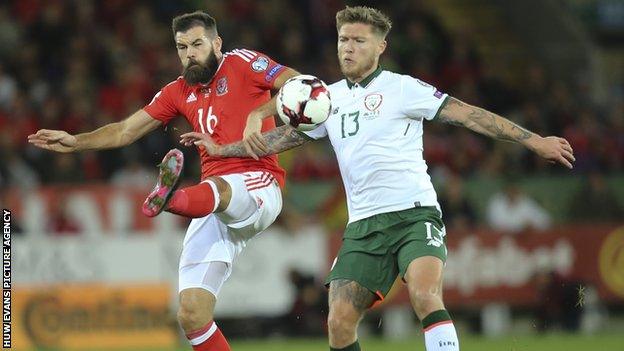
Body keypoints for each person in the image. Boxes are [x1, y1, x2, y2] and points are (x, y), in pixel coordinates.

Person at [181, 6, 575, 351]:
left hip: (413, 216)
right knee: (338, 322)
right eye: (342, 40)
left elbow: (469, 115)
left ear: (380, 47)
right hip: (364, 228)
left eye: (358, 40)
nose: (347, 48)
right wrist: (221, 151)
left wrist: (534, 140)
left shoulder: (403, 89)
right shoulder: (326, 101)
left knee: (424, 295)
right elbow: (276, 139)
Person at [28, 10, 299, 351]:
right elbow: (126, 130)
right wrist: (76, 141)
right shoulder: (177, 91)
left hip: (258, 183)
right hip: (213, 207)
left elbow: (298, 84)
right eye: (181, 46)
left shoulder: (243, 63)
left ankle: (170, 200)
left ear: (217, 43)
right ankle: (172, 199)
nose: (189, 53)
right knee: (192, 314)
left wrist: (259, 114)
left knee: (220, 188)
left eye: (197, 44)